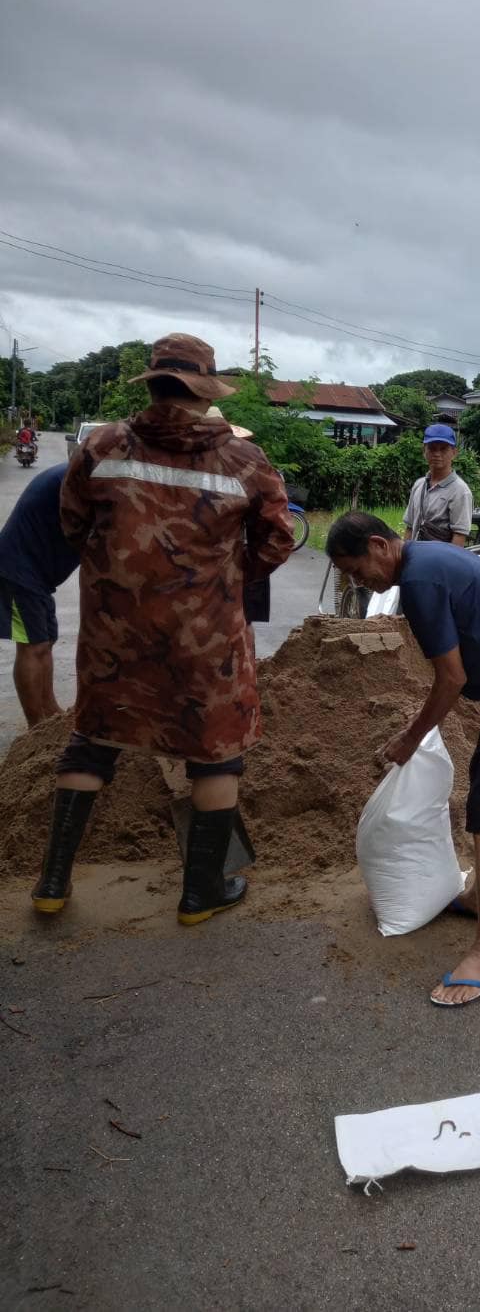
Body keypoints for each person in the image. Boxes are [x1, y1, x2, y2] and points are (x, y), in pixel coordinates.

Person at [31, 333, 295, 924]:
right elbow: (278, 539)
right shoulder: (244, 462)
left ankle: (51, 884)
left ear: (151, 385)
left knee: (92, 741)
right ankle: (200, 895)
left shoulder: (101, 447)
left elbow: (72, 521)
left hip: (113, 633)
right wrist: (222, 577)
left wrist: (116, 574)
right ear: (204, 393)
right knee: (215, 757)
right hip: (205, 640)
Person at [325, 513, 480, 1008]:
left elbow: (452, 678)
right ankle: (477, 897)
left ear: (379, 545)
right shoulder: (426, 561)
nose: (361, 582)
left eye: (358, 570)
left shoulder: (418, 580)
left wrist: (409, 738)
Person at [0, 463, 80, 727]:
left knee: (45, 642)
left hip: (36, 575)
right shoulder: (82, 478)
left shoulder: (81, 471)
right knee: (33, 646)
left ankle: (50, 713)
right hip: (18, 569)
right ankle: (35, 725)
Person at [403, 424, 473, 546]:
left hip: (439, 561)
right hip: (415, 557)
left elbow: (459, 537)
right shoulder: (419, 485)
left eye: (443, 449)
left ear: (454, 452)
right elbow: (410, 527)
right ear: (424, 451)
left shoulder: (460, 491)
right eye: (432, 448)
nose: (437, 454)